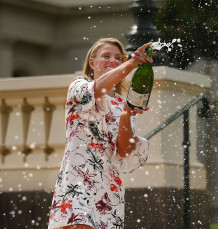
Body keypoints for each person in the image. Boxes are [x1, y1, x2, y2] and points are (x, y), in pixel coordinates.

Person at [48, 38, 152, 229]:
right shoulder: (78, 86)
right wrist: (131, 65)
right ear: (92, 62)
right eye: (106, 56)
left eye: (118, 58)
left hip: (108, 189)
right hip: (77, 181)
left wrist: (126, 115)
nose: (113, 60)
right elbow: (96, 89)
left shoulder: (124, 103)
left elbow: (124, 151)